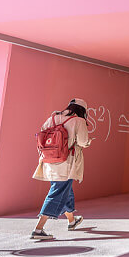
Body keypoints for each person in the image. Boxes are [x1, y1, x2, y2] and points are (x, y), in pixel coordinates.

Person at [31, 98, 92, 240]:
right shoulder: (79, 121)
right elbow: (83, 142)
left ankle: (72, 221)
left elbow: (41, 135)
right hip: (66, 162)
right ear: (82, 111)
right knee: (58, 191)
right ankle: (38, 229)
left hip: (49, 160)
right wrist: (87, 143)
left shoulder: (52, 118)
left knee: (65, 190)